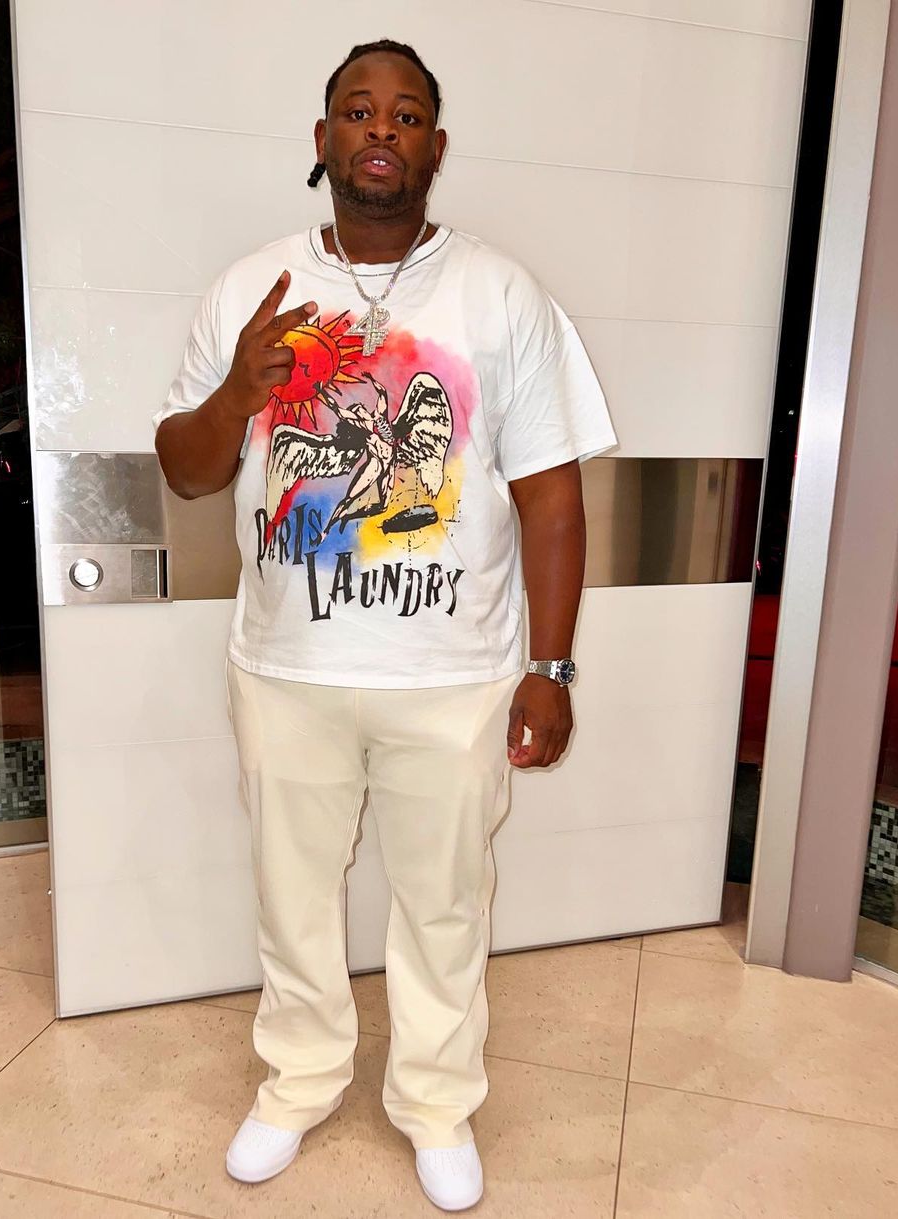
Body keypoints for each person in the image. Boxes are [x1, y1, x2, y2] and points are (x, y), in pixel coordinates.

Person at [155, 39, 616, 1212]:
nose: (381, 129)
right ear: (322, 139)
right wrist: (239, 392)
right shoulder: (250, 289)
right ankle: (298, 1082)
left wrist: (551, 668)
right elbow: (189, 469)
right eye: (358, 110)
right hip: (286, 669)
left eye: (406, 115)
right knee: (291, 898)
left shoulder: (502, 293)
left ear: (434, 147)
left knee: (445, 904)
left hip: (455, 675)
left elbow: (552, 498)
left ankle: (435, 1102)